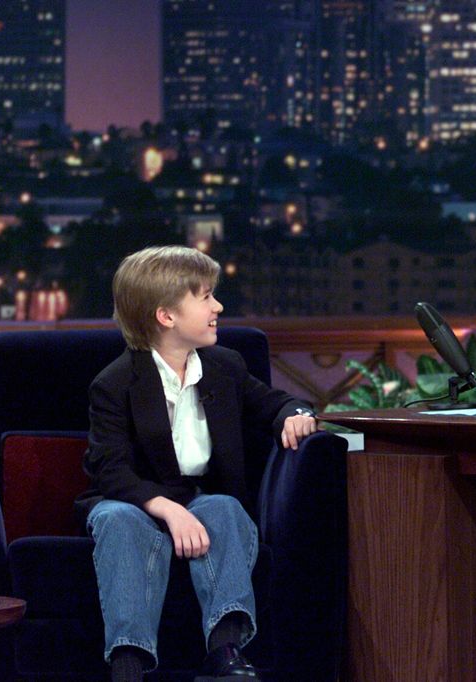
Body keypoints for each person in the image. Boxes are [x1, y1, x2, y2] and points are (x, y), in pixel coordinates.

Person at [74, 246, 317, 682]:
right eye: (205, 297)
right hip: (130, 499)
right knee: (118, 521)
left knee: (224, 508)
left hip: (199, 498)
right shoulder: (114, 383)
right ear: (166, 316)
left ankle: (225, 652)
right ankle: (128, 664)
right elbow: (109, 470)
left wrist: (295, 416)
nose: (217, 306)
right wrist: (168, 510)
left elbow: (275, 403)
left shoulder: (225, 367)